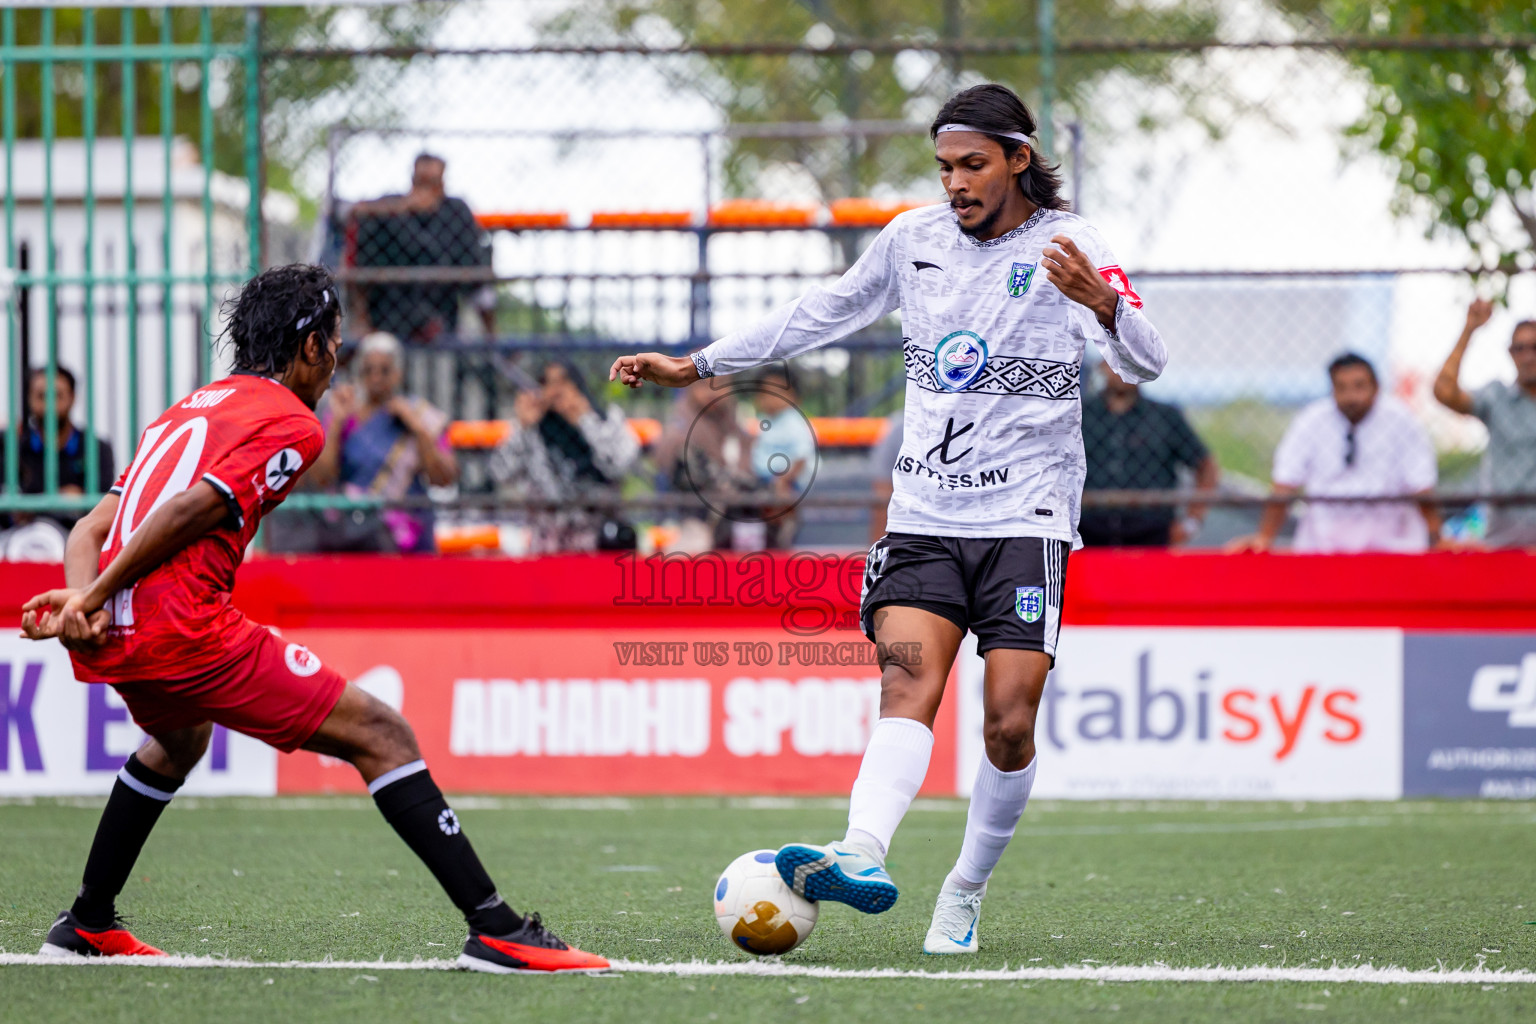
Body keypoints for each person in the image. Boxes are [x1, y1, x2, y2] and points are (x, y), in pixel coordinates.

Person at [610, 83, 1167, 954]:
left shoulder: (1074, 246)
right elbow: (820, 313)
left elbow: (1149, 359)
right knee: (908, 685)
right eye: (944, 167)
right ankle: (860, 852)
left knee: (1009, 724)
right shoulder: (912, 240)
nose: (955, 183)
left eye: (973, 165)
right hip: (923, 516)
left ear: (1019, 159)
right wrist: (698, 365)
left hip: (1027, 518)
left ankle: (966, 887)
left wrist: (1102, 303)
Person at [18, 264, 605, 973]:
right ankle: (496, 927)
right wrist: (91, 596)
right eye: (333, 343)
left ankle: (86, 920)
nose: (336, 362)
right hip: (183, 628)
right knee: (383, 733)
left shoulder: (187, 410)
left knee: (177, 743)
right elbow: (194, 509)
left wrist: (86, 602)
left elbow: (88, 525)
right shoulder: (292, 422)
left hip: (119, 632)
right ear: (310, 349)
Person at [1229, 353, 1441, 553]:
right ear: (1332, 389)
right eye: (1341, 387)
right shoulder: (1311, 421)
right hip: (1323, 548)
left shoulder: (1402, 422)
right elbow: (1285, 482)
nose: (1351, 396)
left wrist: (1437, 539)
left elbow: (1421, 485)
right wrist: (1265, 537)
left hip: (1392, 549)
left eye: (1359, 386)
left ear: (1376, 388)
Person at [308, 332, 458, 553]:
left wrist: (416, 427)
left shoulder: (417, 413)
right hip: (353, 535)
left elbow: (444, 477)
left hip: (405, 538)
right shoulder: (347, 415)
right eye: (368, 370)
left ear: (398, 374)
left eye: (384, 370)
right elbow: (321, 478)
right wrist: (337, 422)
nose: (376, 377)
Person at [488, 357, 639, 552]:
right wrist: (523, 428)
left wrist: (585, 421)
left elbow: (620, 466)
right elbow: (500, 473)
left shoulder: (606, 419)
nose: (557, 392)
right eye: (548, 384)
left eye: (563, 383)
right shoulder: (532, 431)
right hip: (548, 543)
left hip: (599, 540)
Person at [348, 153, 496, 343]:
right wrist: (404, 208)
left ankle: (491, 337)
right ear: (412, 182)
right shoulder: (390, 206)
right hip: (389, 308)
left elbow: (472, 266)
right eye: (421, 182)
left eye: (432, 183)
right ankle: (362, 321)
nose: (426, 191)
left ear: (442, 184)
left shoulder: (455, 211)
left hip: (440, 310)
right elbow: (352, 212)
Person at [1432, 299, 1536, 547]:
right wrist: (1469, 330)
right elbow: (1444, 391)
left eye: (1535, 347)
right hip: (1504, 539)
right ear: (1510, 354)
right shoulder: (1496, 397)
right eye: (1519, 348)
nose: (1528, 357)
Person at [1079, 363, 1218, 546]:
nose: (1122, 370)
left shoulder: (1165, 417)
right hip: (1088, 535)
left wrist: (1191, 522)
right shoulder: (1080, 415)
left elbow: (1205, 466)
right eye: (1115, 360)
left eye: (1130, 361)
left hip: (1151, 535)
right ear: (1103, 366)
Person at [0, 367, 116, 537]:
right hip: (18, 544)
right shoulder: (11, 447)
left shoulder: (96, 449)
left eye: (57, 395)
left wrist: (32, 505)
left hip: (78, 541)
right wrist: (64, 499)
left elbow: (102, 508)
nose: (49, 404)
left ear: (72, 398)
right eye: (41, 396)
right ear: (29, 400)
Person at [746, 365, 817, 548]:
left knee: (783, 519)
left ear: (795, 397)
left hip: (786, 482)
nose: (772, 399)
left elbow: (802, 456)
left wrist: (784, 481)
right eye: (766, 392)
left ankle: (785, 541)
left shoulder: (793, 421)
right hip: (763, 481)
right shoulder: (764, 420)